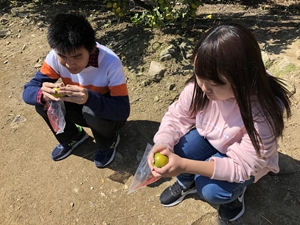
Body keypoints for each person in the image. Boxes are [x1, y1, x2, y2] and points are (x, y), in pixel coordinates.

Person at [147, 23, 292, 222]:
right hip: (211, 137)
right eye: (199, 75)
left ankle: (234, 197)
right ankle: (186, 183)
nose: (203, 88)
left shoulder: (264, 110)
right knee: (176, 147)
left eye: (214, 84)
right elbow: (177, 116)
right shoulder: (201, 84)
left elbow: (242, 166)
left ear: (242, 80)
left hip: (243, 159)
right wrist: (163, 142)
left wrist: (185, 165)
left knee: (212, 190)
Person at [22, 13, 130, 168]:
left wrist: (90, 98)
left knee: (90, 111)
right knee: (43, 101)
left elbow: (123, 111)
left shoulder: (110, 62)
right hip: (80, 106)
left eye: (77, 57)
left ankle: (108, 141)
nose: (69, 64)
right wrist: (42, 93)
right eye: (62, 57)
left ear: (92, 49)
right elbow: (28, 91)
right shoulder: (55, 56)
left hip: (108, 114)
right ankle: (73, 137)